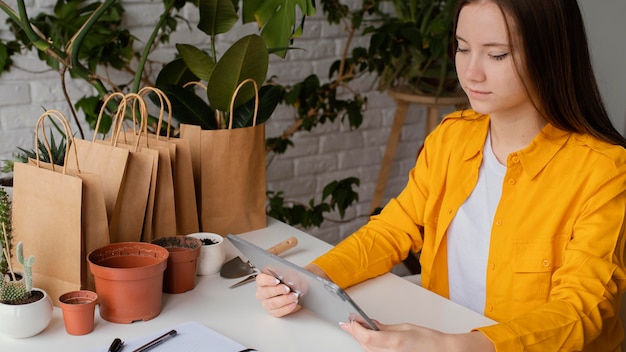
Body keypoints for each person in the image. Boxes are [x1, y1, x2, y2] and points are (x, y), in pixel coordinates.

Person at [255, 0, 626, 350]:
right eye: (463, 48)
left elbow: (582, 309)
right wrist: (311, 278)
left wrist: (453, 346)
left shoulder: (605, 171)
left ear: (550, 55)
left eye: (497, 54)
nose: (470, 72)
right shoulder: (452, 136)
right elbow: (391, 230)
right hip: (440, 332)